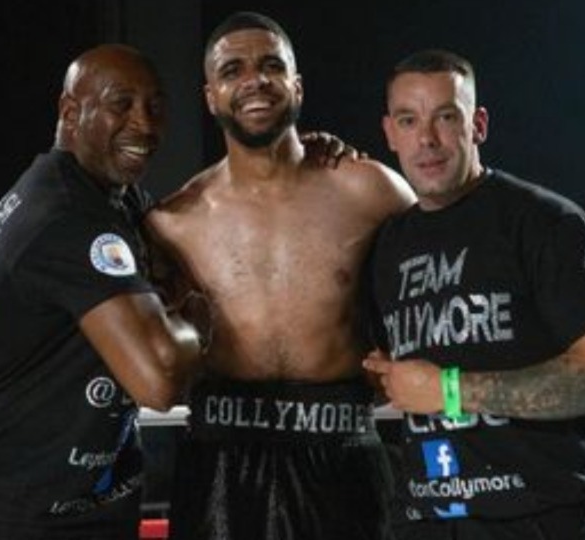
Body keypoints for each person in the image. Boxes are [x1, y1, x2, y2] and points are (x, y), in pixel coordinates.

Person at [0, 44, 208, 540]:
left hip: (61, 501)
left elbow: (183, 233)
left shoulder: (105, 197)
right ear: (70, 111)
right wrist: (203, 320)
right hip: (19, 514)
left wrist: (292, 156)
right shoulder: (65, 217)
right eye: (121, 104)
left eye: (155, 107)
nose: (144, 123)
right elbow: (158, 378)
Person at [146, 11, 417, 540]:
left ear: (296, 84)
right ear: (210, 95)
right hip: (221, 458)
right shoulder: (172, 222)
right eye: (233, 70)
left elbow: (449, 261)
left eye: (272, 65)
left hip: (340, 453)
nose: (255, 80)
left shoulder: (369, 190)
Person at [362, 49, 585, 540]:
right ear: (389, 133)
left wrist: (447, 390)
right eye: (409, 120)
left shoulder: (543, 222)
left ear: (478, 124)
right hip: (428, 516)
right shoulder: (385, 245)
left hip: (540, 514)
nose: (427, 139)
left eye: (446, 117)